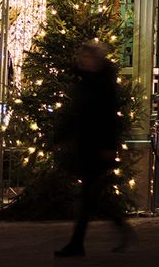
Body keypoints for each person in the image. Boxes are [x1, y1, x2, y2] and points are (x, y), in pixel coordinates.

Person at [55, 40, 133, 257]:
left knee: (89, 196)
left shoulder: (103, 84)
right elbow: (77, 113)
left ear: (97, 60)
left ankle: (77, 243)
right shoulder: (86, 81)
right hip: (86, 145)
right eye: (83, 57)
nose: (84, 61)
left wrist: (109, 146)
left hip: (97, 147)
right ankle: (118, 226)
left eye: (88, 57)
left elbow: (109, 118)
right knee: (92, 196)